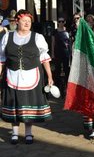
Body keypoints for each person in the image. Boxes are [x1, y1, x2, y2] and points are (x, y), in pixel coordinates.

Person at [0, 9, 53, 145]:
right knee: (14, 103)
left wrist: (50, 76)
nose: (27, 23)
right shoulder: (7, 37)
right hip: (12, 75)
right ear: (17, 21)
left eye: (29, 21)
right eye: (24, 21)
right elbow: (2, 58)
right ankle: (15, 133)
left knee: (29, 103)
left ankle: (28, 133)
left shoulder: (37, 37)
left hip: (32, 75)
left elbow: (44, 58)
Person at [51, 17, 71, 97]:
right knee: (57, 70)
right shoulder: (55, 31)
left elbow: (70, 42)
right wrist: (52, 53)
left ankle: (67, 88)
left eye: (62, 21)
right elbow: (53, 42)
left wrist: (71, 53)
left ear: (64, 22)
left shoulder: (67, 31)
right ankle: (58, 87)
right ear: (58, 22)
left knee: (67, 70)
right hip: (57, 52)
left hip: (66, 52)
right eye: (59, 21)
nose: (61, 23)